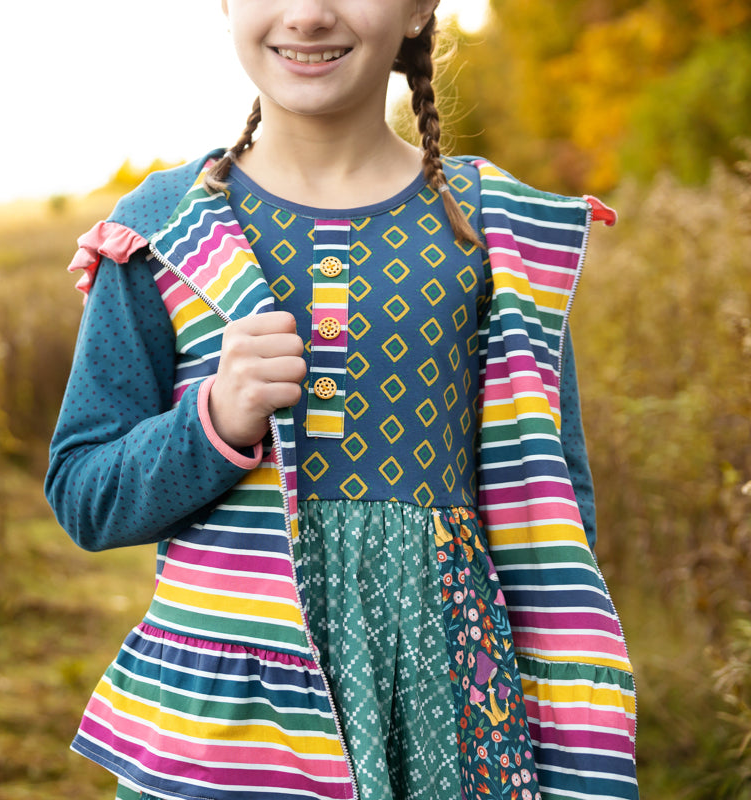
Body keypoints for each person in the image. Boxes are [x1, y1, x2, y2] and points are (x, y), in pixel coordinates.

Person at [45, 1, 638, 799]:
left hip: (450, 710)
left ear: (420, 8)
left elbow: (556, 515)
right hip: (230, 734)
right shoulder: (164, 230)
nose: (310, 14)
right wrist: (213, 420)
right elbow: (85, 493)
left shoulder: (495, 231)